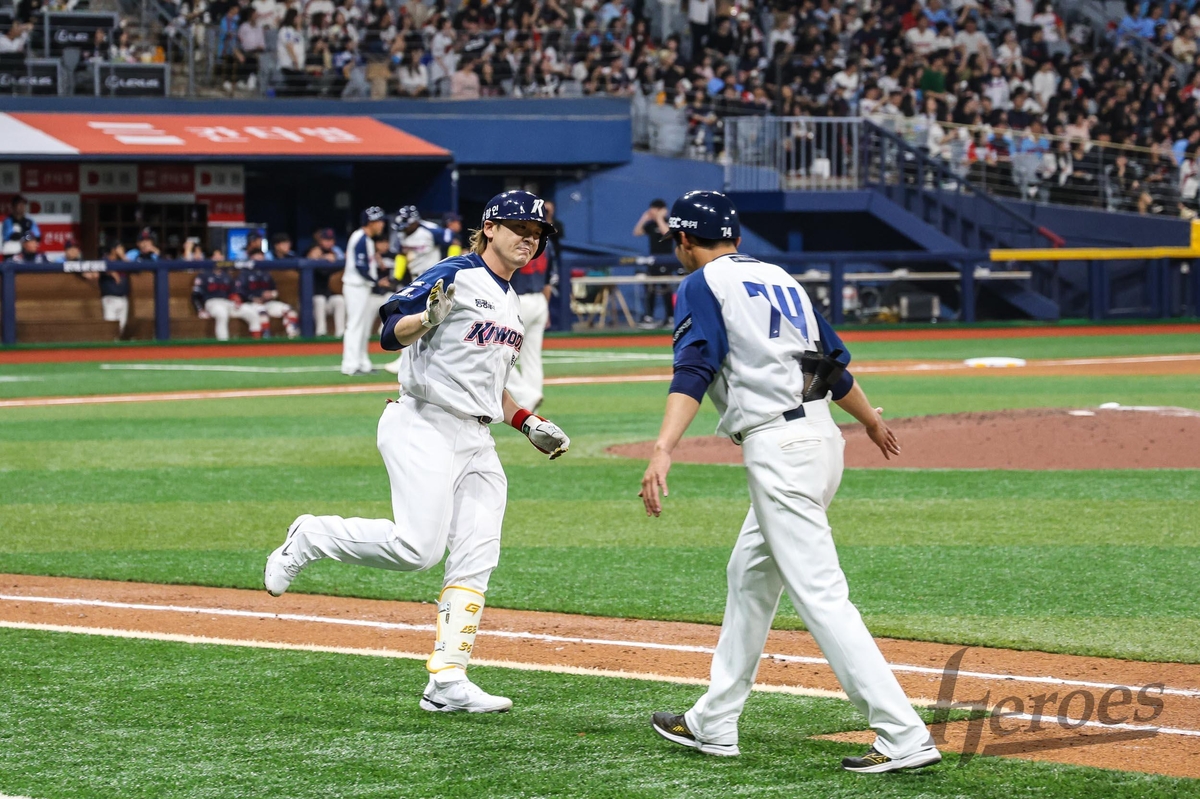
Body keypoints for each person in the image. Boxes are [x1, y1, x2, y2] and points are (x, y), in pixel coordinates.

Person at [641, 191, 940, 774]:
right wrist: (872, 420)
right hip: (822, 440)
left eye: (674, 242)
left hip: (781, 449)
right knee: (749, 575)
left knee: (822, 596)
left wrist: (662, 449)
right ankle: (714, 721)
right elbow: (832, 363)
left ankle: (903, 735)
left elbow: (696, 368)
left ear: (683, 239)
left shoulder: (703, 284)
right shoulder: (780, 277)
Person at [263, 190, 571, 714]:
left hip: (477, 438)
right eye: (520, 227)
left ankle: (447, 680)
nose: (530, 238)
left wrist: (526, 421)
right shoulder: (456, 273)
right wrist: (424, 319)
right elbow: (390, 331)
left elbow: (486, 385)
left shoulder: (510, 301)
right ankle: (313, 535)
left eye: (537, 232)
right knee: (417, 550)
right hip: (423, 423)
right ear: (490, 228)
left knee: (477, 555)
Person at [383, 206, 444, 374]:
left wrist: (448, 269)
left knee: (432, 321)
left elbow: (453, 243)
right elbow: (402, 255)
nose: (403, 229)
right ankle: (406, 359)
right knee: (413, 319)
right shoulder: (403, 234)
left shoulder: (431, 230)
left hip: (434, 280)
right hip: (416, 280)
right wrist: (396, 276)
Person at [505, 216, 552, 410]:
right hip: (539, 299)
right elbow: (549, 280)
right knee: (532, 357)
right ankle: (533, 411)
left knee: (495, 352)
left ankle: (526, 396)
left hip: (518, 300)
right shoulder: (546, 243)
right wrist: (545, 308)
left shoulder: (514, 241)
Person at [341, 206, 389, 375]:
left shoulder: (367, 239)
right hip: (355, 286)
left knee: (363, 326)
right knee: (355, 325)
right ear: (370, 222)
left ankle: (362, 362)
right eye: (379, 221)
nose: (382, 224)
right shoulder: (360, 238)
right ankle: (350, 364)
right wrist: (377, 282)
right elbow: (361, 267)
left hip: (363, 287)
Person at [237, 235, 300, 338]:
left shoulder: (267, 273)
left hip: (268, 302)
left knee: (289, 310)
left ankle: (292, 337)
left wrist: (272, 294)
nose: (259, 259)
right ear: (251, 258)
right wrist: (254, 298)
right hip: (252, 304)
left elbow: (275, 290)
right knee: (262, 313)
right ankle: (266, 339)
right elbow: (240, 291)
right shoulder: (245, 273)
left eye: (261, 256)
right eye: (256, 257)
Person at [192, 261, 264, 340]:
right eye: (216, 257)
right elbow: (195, 295)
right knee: (222, 314)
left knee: (251, 312)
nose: (218, 259)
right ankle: (224, 344)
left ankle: (256, 342)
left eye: (220, 257)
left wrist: (236, 300)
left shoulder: (227, 276)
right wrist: (200, 310)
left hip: (227, 302)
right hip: (212, 302)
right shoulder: (203, 275)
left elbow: (234, 293)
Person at [633, 198, 676, 328]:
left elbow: (667, 233)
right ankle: (649, 317)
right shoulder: (650, 225)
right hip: (653, 260)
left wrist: (659, 218)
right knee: (650, 289)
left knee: (665, 289)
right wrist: (643, 219)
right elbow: (637, 232)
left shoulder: (669, 222)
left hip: (666, 260)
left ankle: (670, 317)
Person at [305, 228, 347, 337]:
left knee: (340, 300)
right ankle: (321, 332)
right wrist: (321, 258)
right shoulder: (312, 250)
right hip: (315, 297)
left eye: (331, 239)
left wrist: (337, 257)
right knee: (320, 300)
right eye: (325, 239)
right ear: (320, 240)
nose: (329, 242)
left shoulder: (336, 252)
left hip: (330, 295)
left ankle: (340, 333)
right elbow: (307, 258)